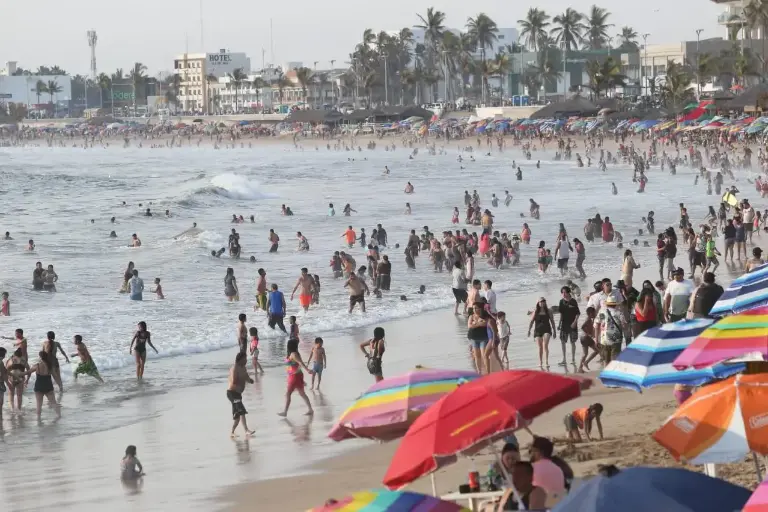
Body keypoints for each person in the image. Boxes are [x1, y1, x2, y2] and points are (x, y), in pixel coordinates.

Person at [278, 338, 314, 417]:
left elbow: (300, 363)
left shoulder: (293, 354)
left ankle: (285, 412)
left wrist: (307, 370)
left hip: (294, 376)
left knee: (288, 394)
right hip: (295, 375)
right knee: (302, 393)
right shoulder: (293, 353)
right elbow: (297, 365)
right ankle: (310, 409)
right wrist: (302, 378)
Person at [24, 350, 60, 419]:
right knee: (54, 403)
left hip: (39, 386)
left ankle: (39, 420)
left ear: (40, 357)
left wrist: (17, 373)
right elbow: (55, 377)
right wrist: (59, 385)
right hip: (48, 386)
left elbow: (28, 372)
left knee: (39, 405)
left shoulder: (37, 365)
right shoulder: (50, 366)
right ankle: (59, 416)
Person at [529, 436, 566, 502]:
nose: (531, 453)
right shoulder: (558, 469)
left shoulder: (532, 468)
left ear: (539, 452)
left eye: (532, 450)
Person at [227, 352, 255, 437]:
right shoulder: (234, 368)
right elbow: (234, 381)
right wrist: (242, 378)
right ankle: (246, 430)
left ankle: (232, 432)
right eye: (245, 359)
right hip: (232, 394)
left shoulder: (243, 368)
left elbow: (246, 376)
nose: (246, 360)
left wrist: (250, 380)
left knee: (237, 416)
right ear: (241, 359)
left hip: (238, 394)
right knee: (242, 410)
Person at [594, 297, 626, 365]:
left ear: (607, 304)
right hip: (616, 340)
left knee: (606, 361)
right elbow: (624, 326)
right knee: (614, 361)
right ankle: (613, 374)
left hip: (604, 340)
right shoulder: (619, 313)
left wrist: (596, 339)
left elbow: (596, 326)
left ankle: (606, 374)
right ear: (615, 304)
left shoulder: (601, 313)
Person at [528, 298, 556, 370]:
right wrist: (529, 330)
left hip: (547, 329)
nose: (542, 303)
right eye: (541, 302)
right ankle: (540, 362)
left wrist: (554, 331)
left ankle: (546, 362)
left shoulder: (549, 311)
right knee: (540, 347)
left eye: (543, 301)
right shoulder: (535, 311)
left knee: (545, 345)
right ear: (538, 303)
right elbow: (531, 321)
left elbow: (552, 321)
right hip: (538, 330)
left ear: (545, 302)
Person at [558, 287, 580, 367]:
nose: (563, 294)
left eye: (565, 292)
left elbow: (578, 313)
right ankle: (564, 359)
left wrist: (575, 322)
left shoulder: (573, 301)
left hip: (572, 324)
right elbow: (561, 314)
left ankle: (573, 359)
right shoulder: (561, 302)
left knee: (572, 342)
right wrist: (559, 324)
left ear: (568, 292)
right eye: (562, 293)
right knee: (563, 341)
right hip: (564, 324)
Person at [578, 307, 600, 372]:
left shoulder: (590, 319)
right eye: (594, 313)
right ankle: (586, 362)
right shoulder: (588, 319)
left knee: (585, 354)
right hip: (586, 338)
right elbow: (582, 327)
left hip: (582, 338)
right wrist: (589, 334)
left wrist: (591, 334)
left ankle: (580, 368)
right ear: (590, 313)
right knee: (597, 350)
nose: (595, 314)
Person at [5, 347, 27, 412]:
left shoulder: (10, 360)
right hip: (20, 378)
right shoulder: (24, 360)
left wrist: (6, 379)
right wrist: (27, 379)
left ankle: (12, 408)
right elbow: (28, 370)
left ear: (14, 354)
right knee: (19, 395)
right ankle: (19, 409)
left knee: (11, 394)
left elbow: (6, 370)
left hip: (12, 379)